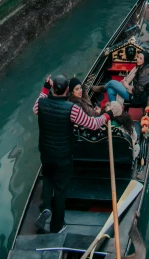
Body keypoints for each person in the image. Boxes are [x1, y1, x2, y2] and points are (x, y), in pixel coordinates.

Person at [33, 74, 117, 234]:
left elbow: (36, 107)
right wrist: (108, 115)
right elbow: (92, 124)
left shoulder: (41, 103)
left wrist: (45, 88)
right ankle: (57, 226)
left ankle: (45, 208)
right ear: (66, 91)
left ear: (53, 89)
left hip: (46, 154)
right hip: (63, 157)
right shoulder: (72, 109)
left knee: (48, 178)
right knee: (60, 190)